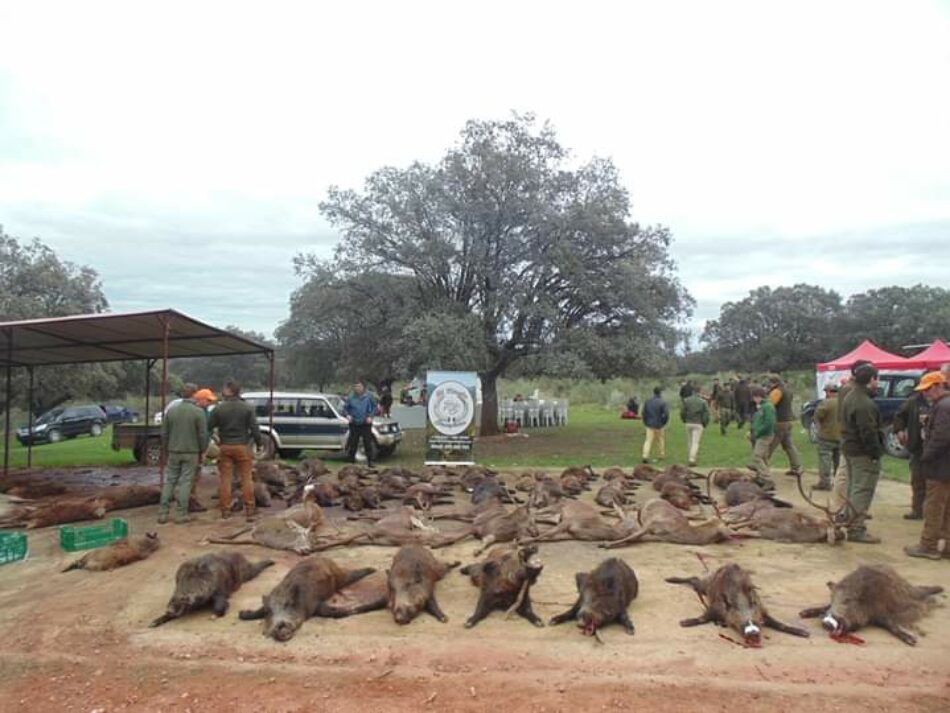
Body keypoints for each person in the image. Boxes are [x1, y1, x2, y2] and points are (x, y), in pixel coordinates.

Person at [904, 371, 950, 560]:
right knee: (947, 508)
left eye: (928, 389)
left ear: (939, 386)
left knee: (934, 507)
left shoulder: (943, 407)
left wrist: (926, 456)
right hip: (946, 466)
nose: (925, 394)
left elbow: (941, 436)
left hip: (939, 466)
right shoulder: (944, 405)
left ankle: (928, 545)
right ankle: (947, 545)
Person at [839, 363, 883, 544]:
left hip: (850, 449)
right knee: (862, 490)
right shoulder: (864, 403)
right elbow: (868, 432)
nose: (877, 383)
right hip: (862, 452)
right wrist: (875, 453)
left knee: (853, 487)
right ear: (871, 379)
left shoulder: (850, 395)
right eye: (877, 379)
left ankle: (849, 520)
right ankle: (856, 529)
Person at [208, 378, 262, 522]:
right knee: (246, 479)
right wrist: (259, 443)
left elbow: (208, 427)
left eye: (224, 388)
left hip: (225, 447)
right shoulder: (248, 408)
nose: (222, 391)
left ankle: (225, 510)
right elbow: (255, 429)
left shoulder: (218, 408)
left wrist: (215, 440)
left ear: (229, 391)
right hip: (243, 447)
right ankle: (250, 510)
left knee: (225, 479)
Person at [158, 388, 208, 525]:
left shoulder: (171, 411)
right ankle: (181, 513)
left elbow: (164, 433)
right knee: (186, 482)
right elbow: (203, 435)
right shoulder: (198, 412)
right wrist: (202, 450)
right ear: (194, 394)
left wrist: (166, 449)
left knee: (170, 481)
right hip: (191, 451)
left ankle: (163, 513)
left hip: (173, 450)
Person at [829, 359, 873, 514]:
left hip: (848, 435)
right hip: (850, 436)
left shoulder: (850, 388)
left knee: (848, 474)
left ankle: (849, 507)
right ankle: (839, 507)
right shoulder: (849, 389)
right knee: (844, 474)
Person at [893, 383, 931, 520]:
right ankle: (917, 510)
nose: (927, 391)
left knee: (938, 483)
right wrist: (899, 430)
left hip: (938, 450)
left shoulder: (943, 401)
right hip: (918, 447)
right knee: (917, 480)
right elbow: (899, 415)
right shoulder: (913, 401)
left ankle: (936, 514)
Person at [765, 374, 803, 477]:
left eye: (770, 383)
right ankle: (796, 467)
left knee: (769, 445)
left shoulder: (777, 391)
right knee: (789, 446)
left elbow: (769, 405)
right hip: (788, 421)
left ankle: (761, 467)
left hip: (779, 422)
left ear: (774, 383)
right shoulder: (788, 390)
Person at [188, 388, 218, 510]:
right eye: (208, 400)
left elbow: (209, 429)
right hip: (197, 447)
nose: (210, 403)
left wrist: (216, 437)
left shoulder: (206, 412)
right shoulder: (196, 412)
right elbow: (200, 432)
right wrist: (202, 450)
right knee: (193, 474)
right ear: (200, 400)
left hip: (204, 444)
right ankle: (191, 500)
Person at [812, 383, 841, 491]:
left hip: (826, 436)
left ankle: (825, 483)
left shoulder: (826, 403)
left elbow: (817, 416)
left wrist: (819, 428)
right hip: (841, 436)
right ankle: (840, 483)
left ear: (828, 391)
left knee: (825, 459)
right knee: (839, 460)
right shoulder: (845, 402)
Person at [344, 380, 378, 467]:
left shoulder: (369, 396)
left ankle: (370, 462)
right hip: (354, 423)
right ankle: (351, 462)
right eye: (356, 387)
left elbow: (375, 407)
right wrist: (348, 415)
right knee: (353, 443)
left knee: (367, 442)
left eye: (359, 386)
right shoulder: (351, 397)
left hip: (365, 423)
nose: (357, 388)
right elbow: (345, 408)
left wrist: (371, 416)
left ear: (363, 387)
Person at [748, 385, 775, 488]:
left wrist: (758, 432)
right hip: (761, 435)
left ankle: (767, 479)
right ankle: (761, 477)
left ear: (758, 396)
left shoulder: (767, 407)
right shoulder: (762, 407)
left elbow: (768, 423)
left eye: (754, 398)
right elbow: (758, 421)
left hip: (764, 435)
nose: (753, 400)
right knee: (763, 457)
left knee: (757, 457)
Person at [680, 385, 710, 467]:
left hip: (688, 422)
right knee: (695, 442)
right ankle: (692, 459)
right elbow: (706, 414)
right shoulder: (703, 402)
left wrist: (684, 420)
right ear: (699, 392)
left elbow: (682, 412)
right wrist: (704, 423)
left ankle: (690, 456)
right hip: (698, 423)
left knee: (689, 441)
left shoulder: (686, 401)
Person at [641, 387, 669, 463]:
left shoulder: (648, 401)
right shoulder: (662, 402)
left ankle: (645, 455)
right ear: (660, 393)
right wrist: (664, 422)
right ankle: (661, 455)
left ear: (653, 392)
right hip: (659, 424)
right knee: (660, 440)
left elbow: (644, 413)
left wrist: (645, 422)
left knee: (648, 440)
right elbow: (666, 414)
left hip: (649, 424)